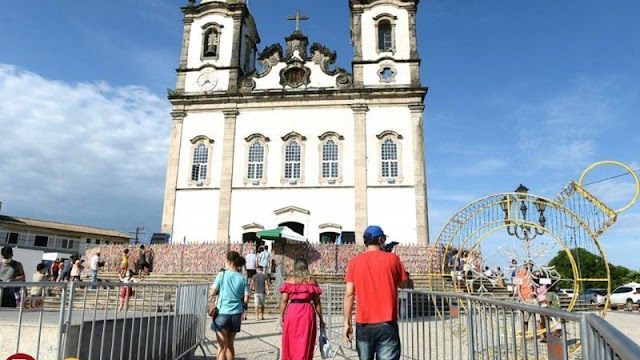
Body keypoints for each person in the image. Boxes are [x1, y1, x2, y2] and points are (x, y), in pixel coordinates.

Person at [343, 225, 408, 360]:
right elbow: (403, 284)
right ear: (381, 240)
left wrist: (346, 323)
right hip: (387, 321)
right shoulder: (392, 259)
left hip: (363, 322)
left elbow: (349, 294)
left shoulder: (354, 262)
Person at [279, 258, 324, 360]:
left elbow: (284, 300)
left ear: (295, 267)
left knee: (291, 340)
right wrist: (321, 319)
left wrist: (281, 316)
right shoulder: (311, 280)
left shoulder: (289, 280)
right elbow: (317, 302)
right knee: (305, 341)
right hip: (307, 311)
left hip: (293, 311)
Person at [209, 251, 249, 360]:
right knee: (230, 345)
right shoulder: (243, 278)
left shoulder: (222, 274)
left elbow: (212, 292)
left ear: (229, 262)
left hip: (222, 312)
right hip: (236, 314)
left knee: (222, 346)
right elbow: (246, 298)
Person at [515, 262, 536, 334]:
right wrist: (521, 298)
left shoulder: (532, 275)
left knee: (537, 317)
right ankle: (525, 334)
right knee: (525, 319)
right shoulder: (519, 275)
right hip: (524, 298)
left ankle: (542, 335)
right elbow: (517, 288)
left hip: (533, 298)